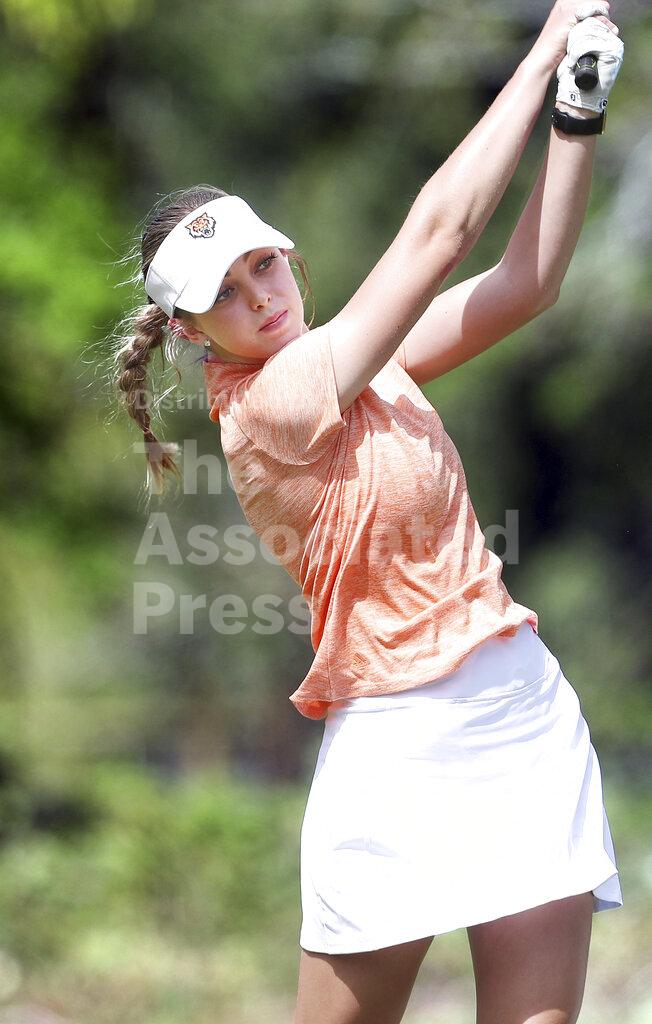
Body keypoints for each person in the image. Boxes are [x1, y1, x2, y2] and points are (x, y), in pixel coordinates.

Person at [112, 2, 625, 1021]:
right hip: (395, 746)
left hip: (519, 712)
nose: (261, 293)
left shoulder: (359, 359)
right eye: (228, 289)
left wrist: (575, 109)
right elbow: (440, 234)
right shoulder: (270, 405)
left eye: (264, 262)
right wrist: (538, 53)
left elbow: (526, 284)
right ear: (188, 329)